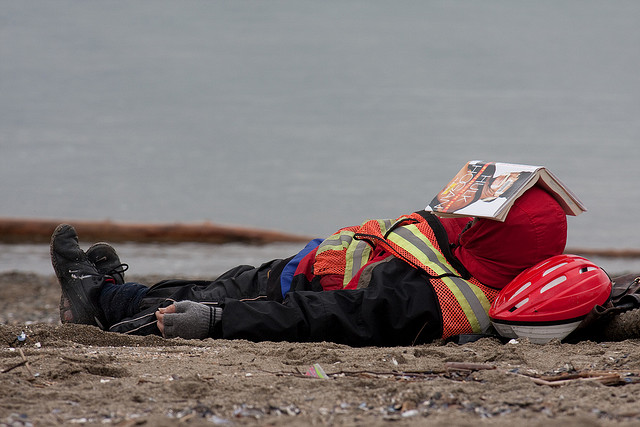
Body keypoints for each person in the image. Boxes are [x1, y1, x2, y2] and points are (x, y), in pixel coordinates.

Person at [50, 186, 567, 346]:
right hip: (301, 268)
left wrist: (218, 325)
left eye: (475, 218)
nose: (461, 216)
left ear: (490, 234)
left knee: (204, 304)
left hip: (295, 297)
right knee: (214, 283)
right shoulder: (475, 242)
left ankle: (98, 302)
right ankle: (115, 291)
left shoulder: (430, 300)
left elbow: (322, 319)